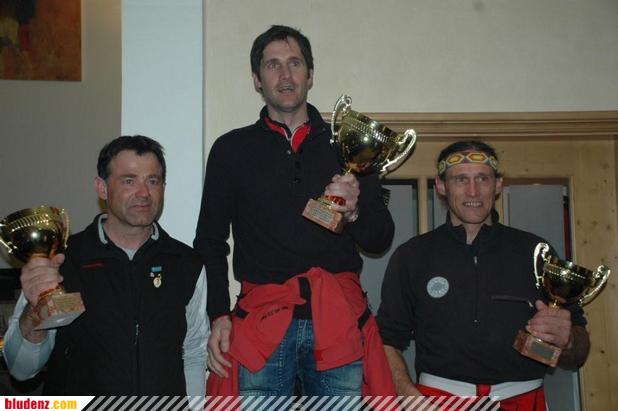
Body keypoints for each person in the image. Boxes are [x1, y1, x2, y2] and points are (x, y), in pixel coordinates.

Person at [194, 25, 396, 397]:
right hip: (263, 320)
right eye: (272, 65)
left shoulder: (348, 145)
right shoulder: (230, 149)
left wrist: (354, 212)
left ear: (310, 74)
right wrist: (218, 314)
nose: (285, 75)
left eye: (295, 63)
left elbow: (380, 238)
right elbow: (209, 240)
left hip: (337, 320)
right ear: (257, 79)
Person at [377, 140, 590, 409]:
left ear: (497, 185)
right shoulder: (412, 256)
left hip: (524, 400)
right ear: (441, 186)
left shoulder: (536, 251)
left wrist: (567, 339)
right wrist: (408, 395)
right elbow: (385, 340)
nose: (473, 191)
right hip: (438, 401)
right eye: (460, 179)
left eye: (482, 178)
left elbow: (579, 349)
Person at [2, 135, 208, 396]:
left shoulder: (186, 264)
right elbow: (21, 370)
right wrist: (33, 314)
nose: (144, 193)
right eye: (129, 180)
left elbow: (194, 354)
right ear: (102, 188)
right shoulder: (61, 262)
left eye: (153, 181)